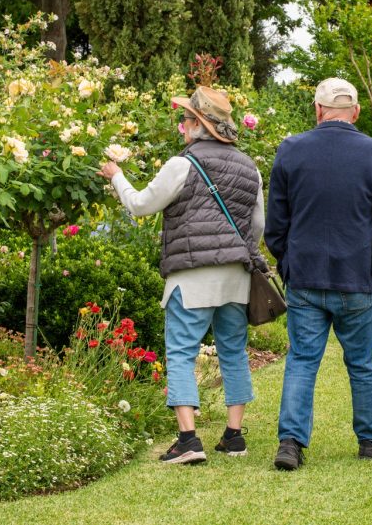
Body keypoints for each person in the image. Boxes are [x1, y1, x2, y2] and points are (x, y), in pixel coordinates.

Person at [98, 87, 267, 465]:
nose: (182, 126)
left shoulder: (183, 164)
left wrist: (117, 177)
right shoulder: (249, 167)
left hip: (191, 277)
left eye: (186, 120)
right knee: (234, 353)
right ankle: (234, 436)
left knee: (180, 353)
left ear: (198, 125)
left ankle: (188, 440)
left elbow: (141, 205)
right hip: (236, 278)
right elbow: (257, 226)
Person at [264, 77, 372, 471]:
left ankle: (291, 442)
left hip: (305, 274)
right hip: (357, 275)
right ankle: (371, 441)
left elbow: (277, 223)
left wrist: (287, 261)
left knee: (302, 360)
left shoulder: (291, 150)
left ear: (318, 109)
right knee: (363, 363)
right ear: (355, 112)